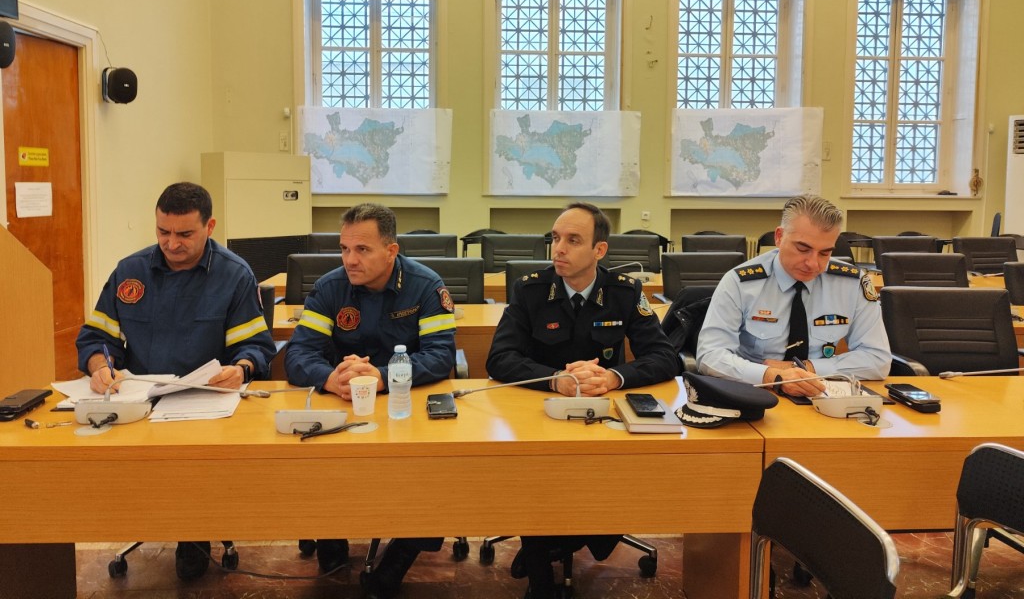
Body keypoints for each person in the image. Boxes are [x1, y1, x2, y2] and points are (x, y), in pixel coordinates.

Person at [75, 181, 276, 579]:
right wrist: (100, 365)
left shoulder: (233, 274)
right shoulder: (130, 271)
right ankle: (160, 516)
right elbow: (97, 337)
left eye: (184, 234)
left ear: (210, 226)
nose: (171, 243)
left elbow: (255, 347)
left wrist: (241, 369)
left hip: (207, 405)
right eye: (163, 232)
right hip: (141, 402)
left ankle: (193, 533)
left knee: (193, 470)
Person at [486, 202, 678, 599]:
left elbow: (665, 357)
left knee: (618, 476)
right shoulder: (530, 289)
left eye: (573, 240)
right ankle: (542, 568)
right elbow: (499, 358)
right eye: (556, 238)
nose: (558, 249)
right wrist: (555, 379)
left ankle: (557, 543)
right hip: (541, 416)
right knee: (535, 474)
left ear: (599, 250)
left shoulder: (624, 291)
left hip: (602, 418)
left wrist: (613, 377)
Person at [284, 202, 456, 599]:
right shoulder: (329, 287)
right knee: (313, 461)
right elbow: (298, 354)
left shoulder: (426, 286)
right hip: (342, 402)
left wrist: (382, 376)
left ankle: (402, 554)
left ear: (392, 250)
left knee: (438, 469)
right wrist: (330, 378)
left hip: (405, 402)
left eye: (362, 249)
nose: (350, 260)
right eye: (344, 249)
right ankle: (330, 536)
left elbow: (441, 356)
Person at [696, 194, 892, 396]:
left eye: (825, 253)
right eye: (803, 249)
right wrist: (773, 377)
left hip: (821, 393)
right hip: (756, 392)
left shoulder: (851, 283)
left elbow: (878, 359)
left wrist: (805, 368)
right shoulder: (740, 283)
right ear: (779, 237)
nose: (813, 263)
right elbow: (710, 355)